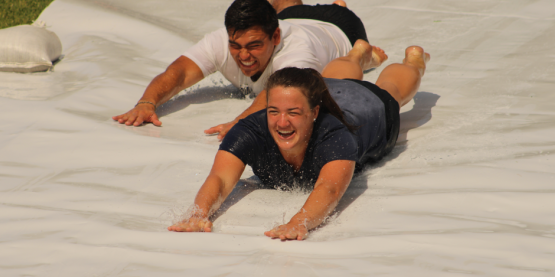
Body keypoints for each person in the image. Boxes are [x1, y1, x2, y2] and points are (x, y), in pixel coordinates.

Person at [168, 40, 430, 240]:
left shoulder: (335, 135)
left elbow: (329, 188)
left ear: (315, 112)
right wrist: (198, 213)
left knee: (391, 90)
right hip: (328, 86)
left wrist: (299, 222)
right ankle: (355, 55)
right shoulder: (250, 131)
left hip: (368, 104)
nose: (282, 123)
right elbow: (220, 178)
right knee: (334, 79)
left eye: (293, 113)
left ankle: (414, 62)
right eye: (274, 111)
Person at [113, 0, 387, 139]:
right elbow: (180, 72)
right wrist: (147, 102)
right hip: (292, 15)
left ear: (275, 36)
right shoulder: (222, 40)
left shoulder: (296, 51)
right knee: (288, 2)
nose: (243, 56)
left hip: (339, 27)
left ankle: (358, 45)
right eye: (236, 46)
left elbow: (275, 94)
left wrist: (241, 120)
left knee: (340, 64)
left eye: (254, 46)